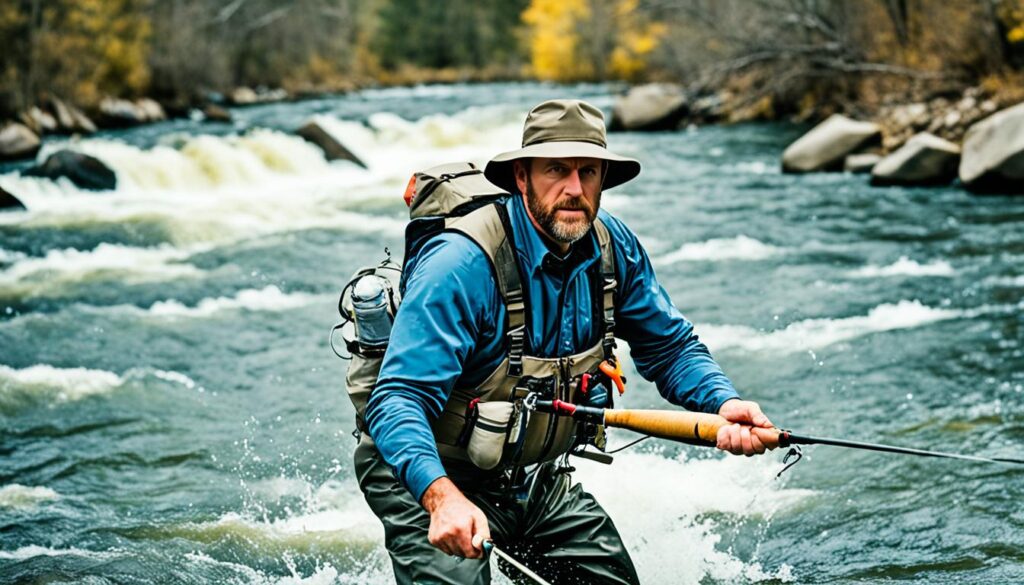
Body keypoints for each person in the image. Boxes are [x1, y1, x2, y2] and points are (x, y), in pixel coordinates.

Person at [355, 99, 778, 584]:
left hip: (528, 478)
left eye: (589, 172)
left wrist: (724, 402)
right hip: (425, 469)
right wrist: (441, 497)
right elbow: (398, 400)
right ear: (521, 177)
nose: (574, 189)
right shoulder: (461, 265)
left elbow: (671, 348)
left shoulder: (612, 247)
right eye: (556, 169)